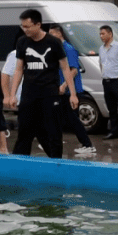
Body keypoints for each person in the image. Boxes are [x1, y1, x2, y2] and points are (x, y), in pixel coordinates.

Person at [6, 10, 78, 157]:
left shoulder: (54, 42)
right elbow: (19, 69)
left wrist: (73, 94)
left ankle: (57, 163)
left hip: (49, 94)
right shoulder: (22, 42)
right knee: (25, 131)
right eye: (22, 26)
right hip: (29, 94)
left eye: (28, 26)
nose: (24, 30)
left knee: (53, 132)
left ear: (38, 24)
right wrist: (12, 94)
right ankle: (19, 163)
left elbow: (65, 67)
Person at [48, 24, 95, 155]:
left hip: (70, 91)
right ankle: (53, 142)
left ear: (59, 34)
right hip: (62, 91)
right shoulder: (57, 48)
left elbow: (73, 70)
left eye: (52, 34)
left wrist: (64, 86)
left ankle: (87, 145)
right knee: (60, 118)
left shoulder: (68, 49)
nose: (49, 36)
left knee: (73, 120)